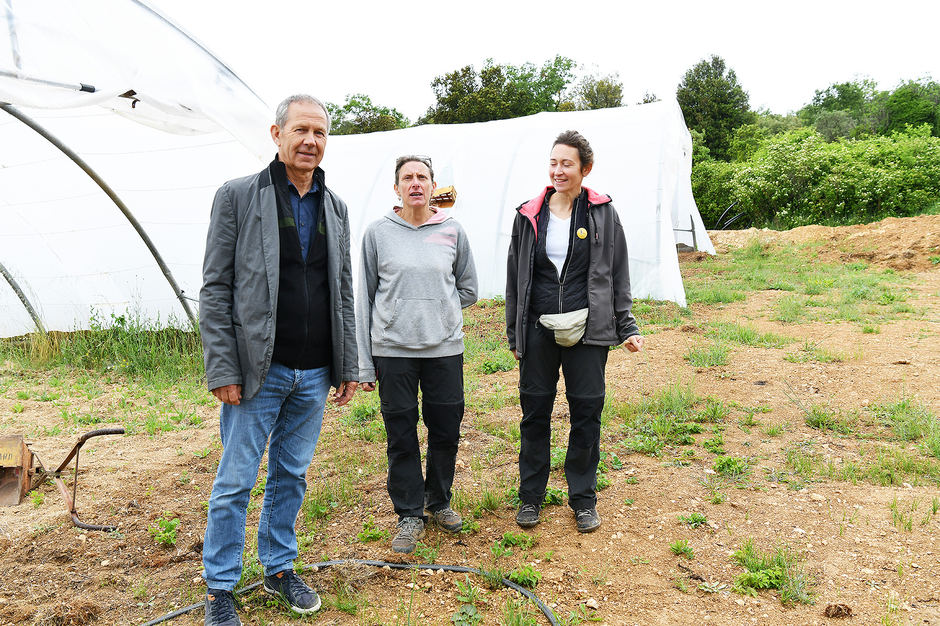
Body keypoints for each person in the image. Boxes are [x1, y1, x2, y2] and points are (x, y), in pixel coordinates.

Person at [199, 94, 358, 626]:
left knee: (291, 474)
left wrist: (348, 364)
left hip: (313, 373)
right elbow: (216, 288)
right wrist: (222, 368)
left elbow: (342, 293)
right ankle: (220, 587)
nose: (311, 141)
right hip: (255, 372)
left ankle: (278, 568)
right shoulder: (239, 197)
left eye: (320, 132)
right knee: (236, 481)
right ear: (277, 133)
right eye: (301, 130)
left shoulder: (334, 208)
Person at [505, 130, 644, 534]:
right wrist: (516, 333)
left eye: (567, 163)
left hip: (589, 329)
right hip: (538, 329)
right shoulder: (529, 214)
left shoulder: (602, 213)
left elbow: (617, 273)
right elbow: (516, 278)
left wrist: (627, 324)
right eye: (553, 163)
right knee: (535, 414)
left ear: (585, 168)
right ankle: (531, 496)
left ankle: (583, 499)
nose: (558, 170)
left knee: (586, 412)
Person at [357, 155, 478, 554]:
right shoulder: (377, 234)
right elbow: (366, 298)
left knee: (446, 428)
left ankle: (439, 500)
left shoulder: (452, 230)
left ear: (432, 186)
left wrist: (438, 311)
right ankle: (410, 512)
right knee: (401, 433)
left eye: (422, 177)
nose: (415, 183)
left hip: (444, 348)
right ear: (396, 188)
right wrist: (364, 359)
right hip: (393, 352)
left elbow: (468, 289)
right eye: (407, 177)